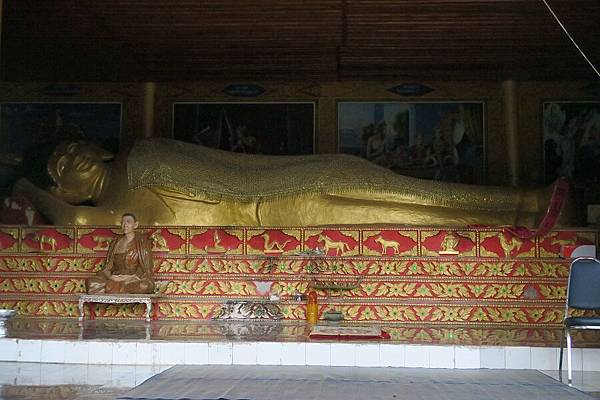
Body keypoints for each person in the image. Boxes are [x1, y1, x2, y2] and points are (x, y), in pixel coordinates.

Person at [13, 138, 571, 228]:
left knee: (413, 192)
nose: (72, 156)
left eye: (72, 148)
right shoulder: (110, 203)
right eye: (61, 167)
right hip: (277, 212)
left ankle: (526, 201)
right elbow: (80, 221)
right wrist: (29, 190)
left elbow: (227, 160)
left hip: (292, 179)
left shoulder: (144, 149)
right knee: (410, 214)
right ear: (66, 189)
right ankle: (524, 214)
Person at [86, 213, 155, 294]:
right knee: (91, 283)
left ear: (135, 225)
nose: (125, 224)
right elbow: (108, 268)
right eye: (122, 222)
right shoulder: (116, 242)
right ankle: (118, 287)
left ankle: (113, 288)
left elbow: (146, 268)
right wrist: (111, 277)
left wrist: (131, 277)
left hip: (133, 279)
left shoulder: (143, 242)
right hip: (115, 278)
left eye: (128, 222)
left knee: (145, 286)